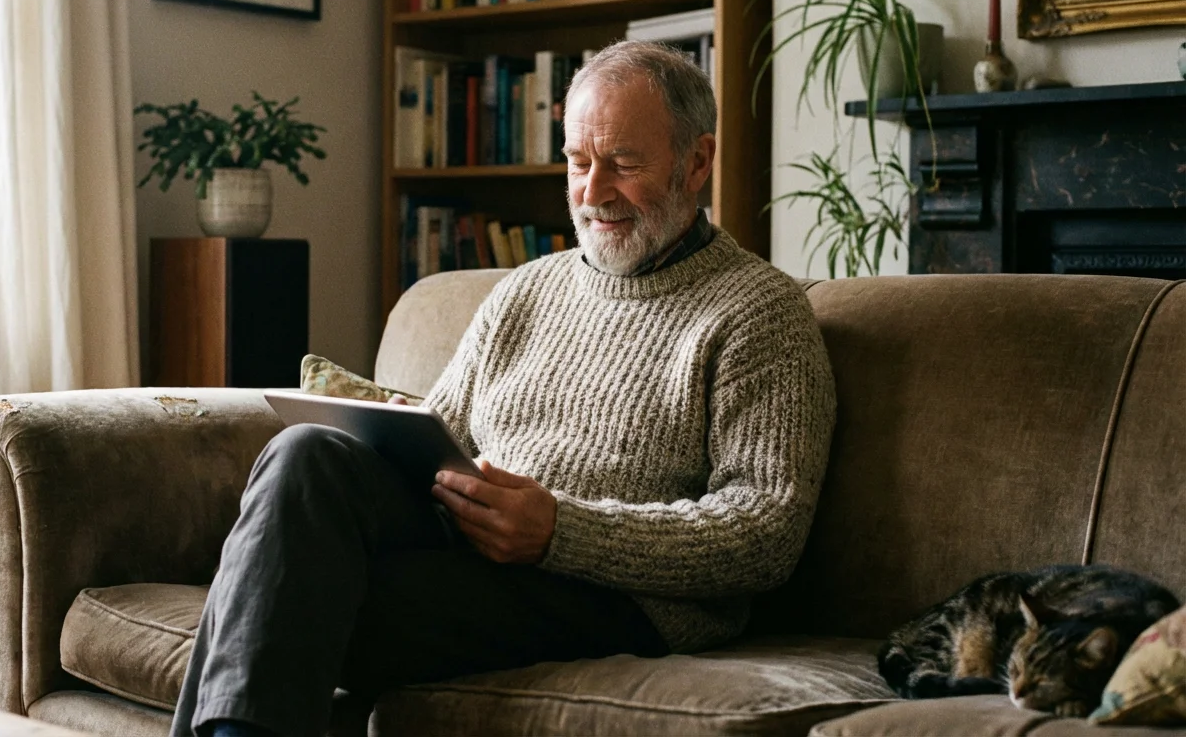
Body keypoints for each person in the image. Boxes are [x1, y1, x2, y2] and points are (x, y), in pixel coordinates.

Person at [170, 40, 837, 737]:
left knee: (289, 593)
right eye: (579, 162)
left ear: (697, 161)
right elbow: (444, 434)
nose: (592, 192)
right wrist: (390, 435)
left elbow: (766, 531)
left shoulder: (760, 312)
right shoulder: (527, 289)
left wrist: (562, 532)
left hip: (613, 592)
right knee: (304, 454)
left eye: (624, 164)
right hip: (470, 543)